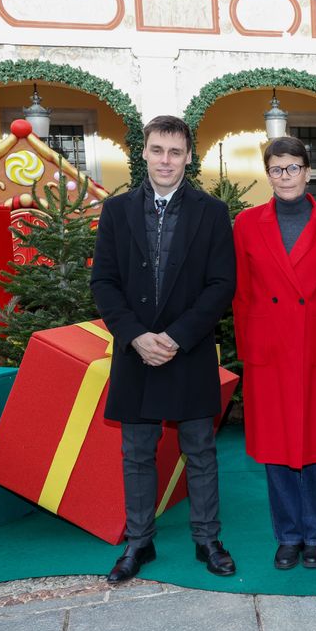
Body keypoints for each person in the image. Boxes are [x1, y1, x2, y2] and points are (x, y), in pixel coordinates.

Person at [90, 115, 237, 583]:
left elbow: (221, 285)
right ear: (145, 153)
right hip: (136, 350)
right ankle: (139, 543)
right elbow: (105, 283)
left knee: (200, 450)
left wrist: (175, 337)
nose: (166, 160)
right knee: (136, 451)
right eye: (157, 150)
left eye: (175, 152)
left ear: (188, 157)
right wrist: (136, 336)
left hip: (187, 349)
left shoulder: (212, 212)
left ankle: (208, 539)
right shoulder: (116, 212)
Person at [232, 136, 316, 571]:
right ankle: (288, 536)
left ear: (307, 171)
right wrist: (251, 350)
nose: (286, 176)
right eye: (277, 169)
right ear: (268, 174)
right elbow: (241, 294)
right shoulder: (245, 224)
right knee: (276, 449)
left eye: (293, 168)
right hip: (269, 351)